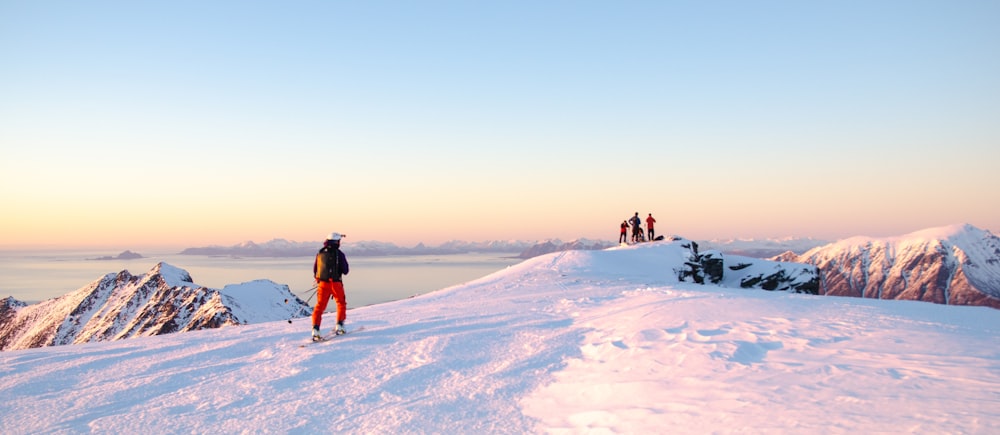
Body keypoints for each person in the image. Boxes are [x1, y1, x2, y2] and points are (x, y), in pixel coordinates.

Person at [312, 232, 350, 339]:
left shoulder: (320, 253)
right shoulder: (339, 254)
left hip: (322, 284)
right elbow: (346, 270)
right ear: (337, 242)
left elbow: (315, 270)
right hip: (335, 283)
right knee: (341, 303)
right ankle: (340, 325)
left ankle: (315, 329)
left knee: (319, 306)